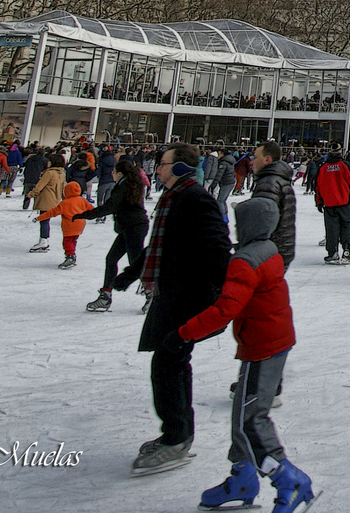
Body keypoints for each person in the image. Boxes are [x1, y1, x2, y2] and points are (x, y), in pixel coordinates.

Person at [183, 198, 317, 513]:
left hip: (263, 345)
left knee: (251, 420)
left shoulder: (246, 260)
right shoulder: (268, 250)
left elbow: (226, 308)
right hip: (270, 339)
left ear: (249, 225)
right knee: (242, 416)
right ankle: (243, 477)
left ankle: (289, 479)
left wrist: (184, 333)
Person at [123, 143, 231, 476]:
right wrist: (130, 273)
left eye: (163, 164)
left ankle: (176, 437)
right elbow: (161, 241)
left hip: (189, 296)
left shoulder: (195, 199)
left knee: (168, 362)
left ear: (181, 167)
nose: (157, 169)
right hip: (173, 292)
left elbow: (219, 248)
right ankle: (177, 433)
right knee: (172, 361)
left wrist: (218, 296)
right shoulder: (173, 198)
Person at [77, 155, 150, 312]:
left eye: (114, 171)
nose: (112, 174)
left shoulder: (124, 187)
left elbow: (110, 207)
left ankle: (152, 294)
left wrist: (86, 214)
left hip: (134, 227)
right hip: (129, 227)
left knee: (136, 264)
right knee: (111, 259)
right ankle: (106, 295)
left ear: (120, 173)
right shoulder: (129, 184)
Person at [248, 142, 297, 268]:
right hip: (279, 251)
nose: (251, 162)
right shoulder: (279, 180)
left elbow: (262, 224)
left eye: (255, 157)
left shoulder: (269, 183)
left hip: (268, 255)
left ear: (267, 159)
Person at [36, 180, 94, 269]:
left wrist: (39, 218)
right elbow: (92, 209)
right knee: (73, 240)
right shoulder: (82, 200)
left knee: (67, 242)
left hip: (69, 226)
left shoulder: (65, 203)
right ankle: (72, 254)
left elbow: (52, 212)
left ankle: (70, 256)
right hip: (80, 225)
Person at [314, 147, 350, 264]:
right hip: (344, 203)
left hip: (329, 204)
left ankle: (332, 253)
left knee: (332, 230)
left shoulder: (323, 168)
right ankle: (346, 250)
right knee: (346, 228)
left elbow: (317, 186)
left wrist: (319, 202)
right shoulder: (345, 165)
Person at [27, 153, 66, 253]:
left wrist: (31, 194)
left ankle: (43, 241)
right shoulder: (62, 173)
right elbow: (63, 188)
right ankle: (44, 240)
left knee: (44, 220)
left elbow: (40, 186)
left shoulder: (49, 173)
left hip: (46, 199)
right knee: (46, 220)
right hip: (55, 200)